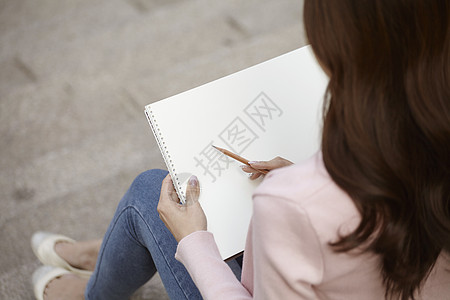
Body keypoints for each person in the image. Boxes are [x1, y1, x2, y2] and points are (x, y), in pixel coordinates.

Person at [31, 0, 450, 299]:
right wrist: (308, 177)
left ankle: (92, 290)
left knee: (150, 194)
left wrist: (193, 240)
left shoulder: (294, 202)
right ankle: (107, 251)